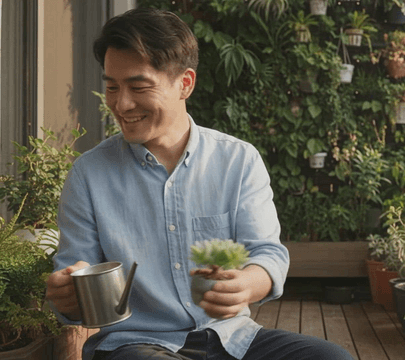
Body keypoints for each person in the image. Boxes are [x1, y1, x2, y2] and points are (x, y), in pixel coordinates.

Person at [45, 8, 353, 360]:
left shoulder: (238, 161)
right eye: (112, 87)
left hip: (231, 338)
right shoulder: (89, 174)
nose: (121, 103)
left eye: (139, 87)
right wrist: (68, 295)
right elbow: (75, 275)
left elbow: (267, 254)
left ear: (185, 84)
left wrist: (246, 285)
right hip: (135, 345)